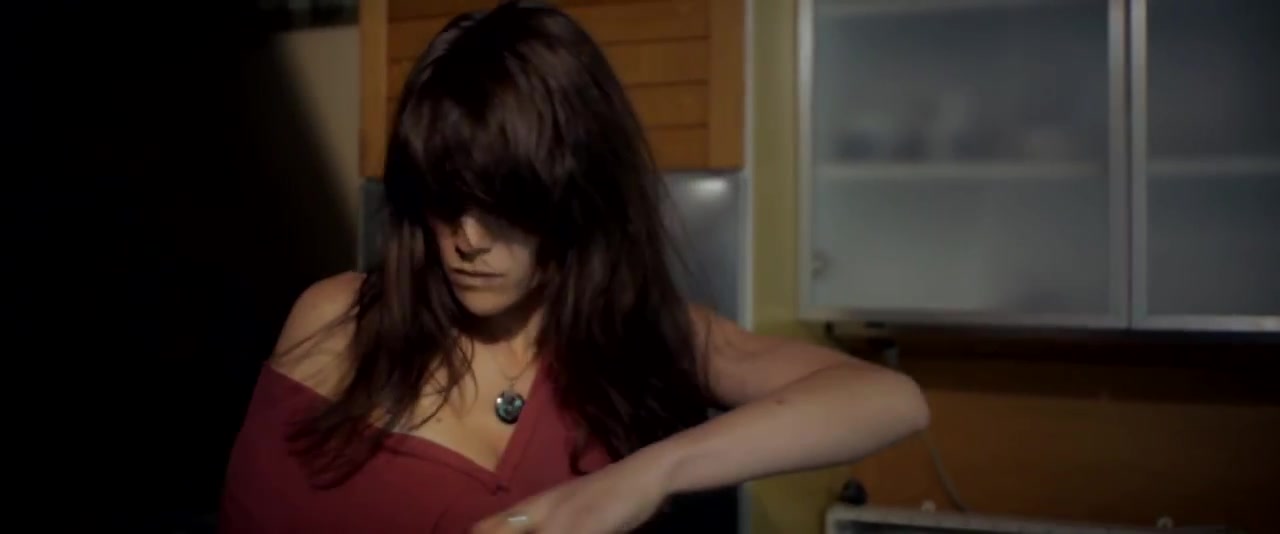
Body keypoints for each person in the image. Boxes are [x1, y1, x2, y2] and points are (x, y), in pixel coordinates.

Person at [218, 2, 929, 533]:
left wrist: (649, 474)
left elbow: (888, 397)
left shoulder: (638, 336)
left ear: (574, 197)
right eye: (446, 199)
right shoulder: (340, 319)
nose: (467, 239)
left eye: (504, 205)